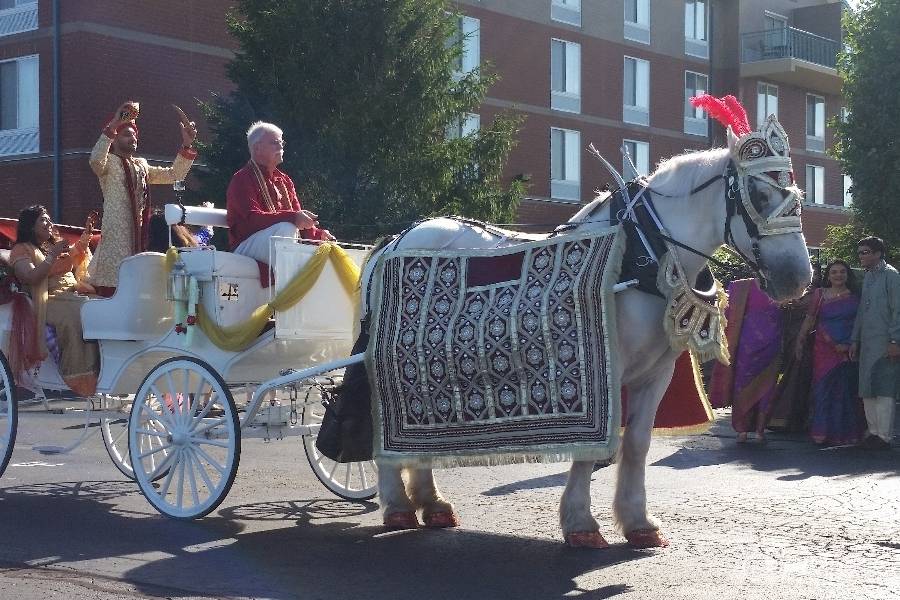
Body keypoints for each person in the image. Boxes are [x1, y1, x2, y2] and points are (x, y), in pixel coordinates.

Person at [87, 101, 198, 296]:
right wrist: (114, 124)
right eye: (126, 134)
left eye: (134, 134)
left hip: (140, 234)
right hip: (116, 236)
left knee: (139, 288)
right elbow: (95, 160)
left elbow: (175, 174)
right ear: (114, 139)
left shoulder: (141, 165)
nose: (133, 138)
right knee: (114, 286)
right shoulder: (108, 163)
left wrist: (187, 145)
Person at [8, 206, 100, 396]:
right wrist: (52, 255)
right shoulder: (21, 249)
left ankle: (103, 369)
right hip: (49, 299)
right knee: (81, 314)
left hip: (72, 293)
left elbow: (74, 256)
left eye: (49, 219)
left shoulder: (53, 245)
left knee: (100, 307)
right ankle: (79, 375)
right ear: (30, 226)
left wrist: (86, 235)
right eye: (43, 219)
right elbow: (31, 276)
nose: (49, 223)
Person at [226, 121, 333, 276]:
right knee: (286, 228)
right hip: (245, 247)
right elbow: (253, 219)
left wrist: (318, 234)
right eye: (275, 143)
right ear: (257, 148)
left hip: (276, 242)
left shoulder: (284, 180)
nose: (280, 147)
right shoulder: (242, 179)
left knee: (323, 246)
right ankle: (288, 291)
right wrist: (293, 217)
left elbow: (298, 218)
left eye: (281, 142)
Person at [795, 260, 865, 446]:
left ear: (848, 275)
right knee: (823, 390)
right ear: (828, 276)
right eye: (834, 272)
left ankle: (846, 433)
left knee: (847, 391)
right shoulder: (820, 294)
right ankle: (821, 432)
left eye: (842, 272)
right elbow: (810, 319)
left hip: (849, 349)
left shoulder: (856, 297)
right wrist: (800, 341)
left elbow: (861, 324)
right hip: (824, 349)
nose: (838, 275)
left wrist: (851, 343)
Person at [708, 278, 782, 443]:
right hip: (745, 345)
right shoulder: (740, 287)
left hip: (772, 344)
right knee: (741, 384)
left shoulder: (782, 285)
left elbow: (796, 308)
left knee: (767, 387)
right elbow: (726, 314)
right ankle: (741, 429)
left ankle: (760, 429)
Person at [850, 236, 900, 449]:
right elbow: (862, 311)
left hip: (885, 342)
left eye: (866, 252)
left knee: (884, 387)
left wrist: (894, 340)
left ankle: (884, 436)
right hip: (867, 343)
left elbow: (898, 310)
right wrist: (855, 340)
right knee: (867, 387)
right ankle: (872, 432)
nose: (861, 256)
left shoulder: (891, 276)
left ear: (878, 253)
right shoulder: (868, 277)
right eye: (860, 252)